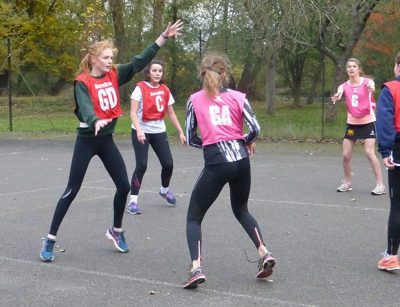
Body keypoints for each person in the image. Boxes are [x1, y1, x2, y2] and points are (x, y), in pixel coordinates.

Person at [39, 20, 184, 262]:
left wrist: (163, 37)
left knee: (124, 187)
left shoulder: (114, 74)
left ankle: (116, 231)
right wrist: (94, 119)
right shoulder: (82, 82)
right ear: (94, 58)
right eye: (106, 57)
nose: (109, 61)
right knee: (72, 190)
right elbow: (85, 106)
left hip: (106, 141)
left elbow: (139, 61)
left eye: (111, 57)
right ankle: (50, 238)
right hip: (87, 141)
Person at [182, 53, 276, 289]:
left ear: (203, 73)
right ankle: (264, 252)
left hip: (216, 160)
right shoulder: (238, 97)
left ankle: (196, 267)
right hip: (241, 160)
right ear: (224, 74)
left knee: (194, 217)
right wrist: (245, 140)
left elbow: (191, 136)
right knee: (241, 209)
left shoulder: (194, 100)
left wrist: (207, 144)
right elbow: (255, 128)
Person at [126, 60, 186, 215]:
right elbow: (132, 112)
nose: (158, 73)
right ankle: (133, 201)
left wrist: (180, 131)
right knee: (142, 165)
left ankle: (164, 190)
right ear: (148, 73)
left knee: (168, 164)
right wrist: (139, 130)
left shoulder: (165, 90)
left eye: (160, 70)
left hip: (159, 131)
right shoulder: (140, 89)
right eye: (154, 70)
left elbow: (171, 113)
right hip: (141, 131)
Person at [331, 57, 385, 195]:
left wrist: (370, 89)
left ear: (359, 69)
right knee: (345, 155)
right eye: (349, 67)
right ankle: (347, 182)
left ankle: (380, 185)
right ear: (347, 70)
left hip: (368, 121)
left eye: (354, 66)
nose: (351, 68)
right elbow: (340, 92)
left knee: (369, 152)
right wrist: (338, 96)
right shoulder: (343, 86)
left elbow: (372, 89)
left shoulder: (368, 82)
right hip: (352, 124)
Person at [375, 52, 400, 271]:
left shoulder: (390, 89)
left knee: (398, 205)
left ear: (397, 67)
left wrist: (386, 151)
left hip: (398, 147)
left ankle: (391, 256)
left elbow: (384, 122)